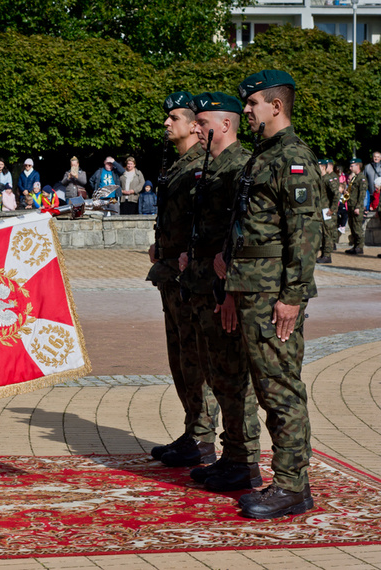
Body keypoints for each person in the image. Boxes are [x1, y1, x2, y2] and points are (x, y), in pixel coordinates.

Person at [214, 69, 322, 519]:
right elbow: (246, 224)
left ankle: (292, 486)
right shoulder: (264, 156)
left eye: (253, 103)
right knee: (263, 386)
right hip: (249, 286)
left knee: (280, 390)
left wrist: (292, 296)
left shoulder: (292, 157)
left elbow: (305, 233)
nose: (247, 111)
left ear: (275, 106)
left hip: (272, 291)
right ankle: (277, 478)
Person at [178, 92, 261, 493]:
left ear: (224, 125)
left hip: (223, 291)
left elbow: (240, 234)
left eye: (202, 122)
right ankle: (231, 457)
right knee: (217, 376)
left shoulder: (239, 166)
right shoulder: (213, 166)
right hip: (202, 286)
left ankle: (245, 462)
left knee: (233, 378)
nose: (195, 128)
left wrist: (228, 291)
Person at [146, 90, 219, 468]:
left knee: (195, 358)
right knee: (180, 357)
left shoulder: (202, 164)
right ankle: (194, 431)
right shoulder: (178, 165)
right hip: (171, 274)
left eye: (174, 117)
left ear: (193, 125)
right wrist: (160, 245)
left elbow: (206, 221)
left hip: (190, 277)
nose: (166, 123)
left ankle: (204, 436)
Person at [317, 159, 339, 264]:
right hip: (322, 210)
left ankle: (327, 256)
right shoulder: (320, 179)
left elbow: (337, 194)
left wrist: (332, 209)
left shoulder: (328, 179)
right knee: (323, 233)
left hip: (327, 211)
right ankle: (324, 254)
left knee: (327, 233)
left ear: (323, 167)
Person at [344, 157, 368, 255]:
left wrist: (358, 207)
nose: (350, 168)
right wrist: (345, 196)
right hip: (351, 205)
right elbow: (351, 192)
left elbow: (362, 194)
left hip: (356, 206)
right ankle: (355, 246)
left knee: (357, 228)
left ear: (357, 166)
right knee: (352, 227)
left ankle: (359, 247)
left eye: (351, 166)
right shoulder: (354, 178)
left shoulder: (361, 178)